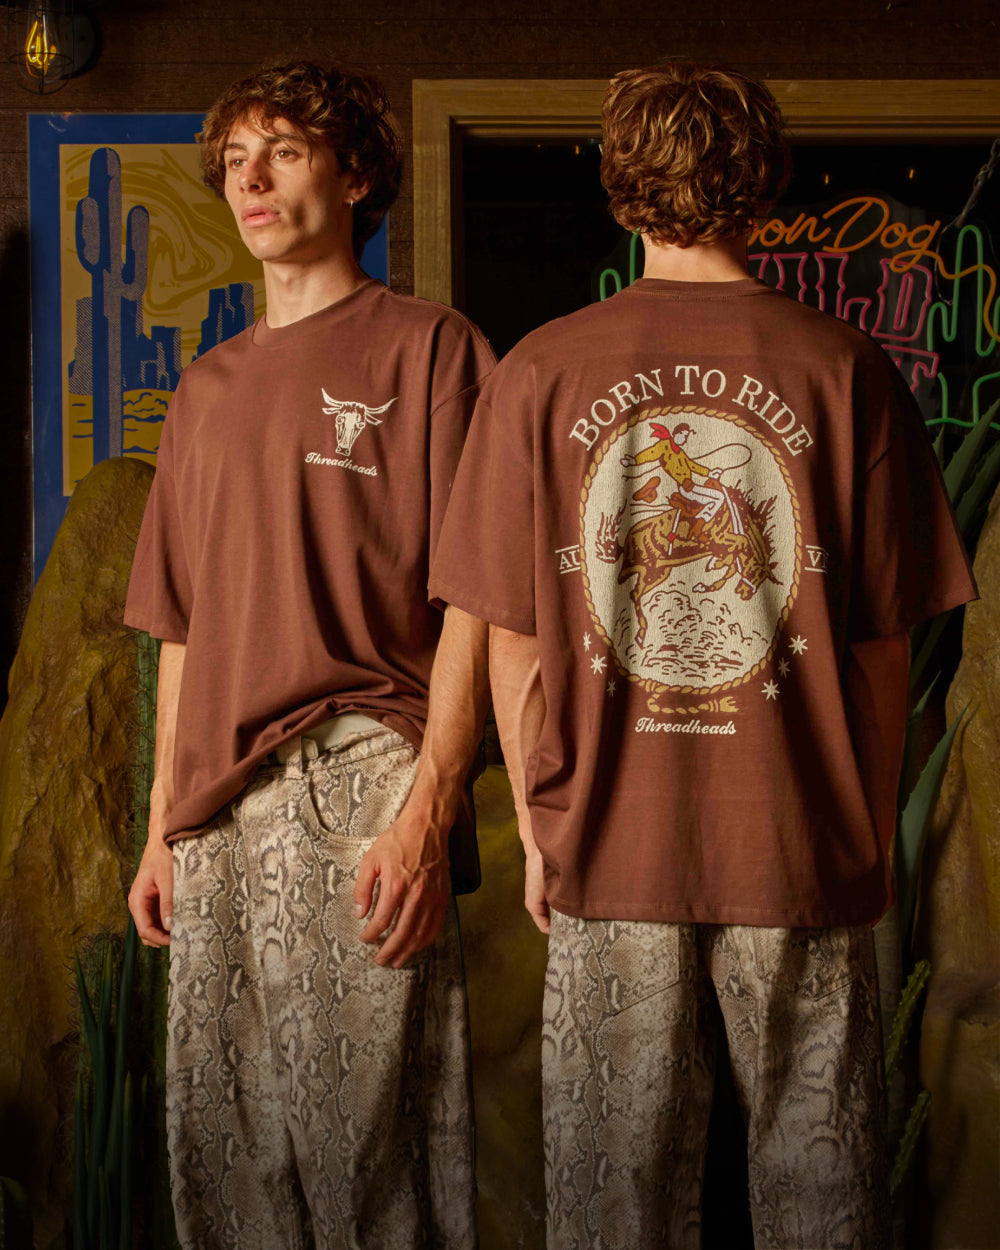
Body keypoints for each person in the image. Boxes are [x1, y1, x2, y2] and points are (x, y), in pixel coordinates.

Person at [430, 62, 976, 1250]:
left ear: (619, 185)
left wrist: (542, 821)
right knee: (822, 1185)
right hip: (795, 839)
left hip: (607, 844)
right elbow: (882, 648)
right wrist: (861, 827)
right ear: (762, 180)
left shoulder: (539, 370)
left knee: (609, 1195)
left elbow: (513, 638)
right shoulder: (844, 368)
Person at [125, 60, 494, 1249]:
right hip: (215, 815)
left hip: (360, 783)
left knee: (374, 1166)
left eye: (283, 151)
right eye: (236, 161)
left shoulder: (433, 351)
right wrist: (161, 826)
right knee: (225, 1168)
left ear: (357, 175)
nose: (252, 180)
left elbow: (481, 601)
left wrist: (429, 806)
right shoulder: (205, 390)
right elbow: (180, 627)